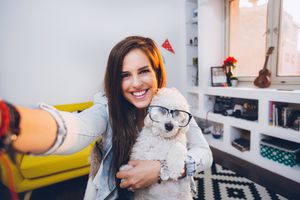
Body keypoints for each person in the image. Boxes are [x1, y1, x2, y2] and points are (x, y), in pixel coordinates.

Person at [0, 36, 213, 200]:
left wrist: (161, 169)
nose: (136, 83)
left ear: (157, 73)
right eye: (125, 75)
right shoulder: (108, 109)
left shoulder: (172, 106)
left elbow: (205, 153)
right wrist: (14, 121)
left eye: (144, 71)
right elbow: (76, 128)